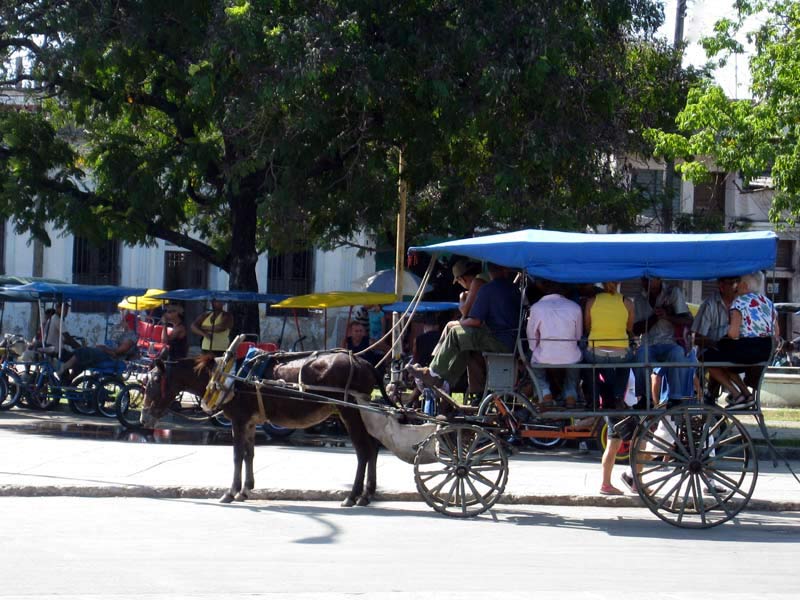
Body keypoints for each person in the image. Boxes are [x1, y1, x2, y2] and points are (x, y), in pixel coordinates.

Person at [407, 263, 520, 392]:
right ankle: (445, 382)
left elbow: (476, 321)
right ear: (505, 270)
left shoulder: (487, 289)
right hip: (511, 340)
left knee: (455, 332)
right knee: (464, 344)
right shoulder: (514, 289)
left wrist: (458, 324)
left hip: (499, 340)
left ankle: (433, 373)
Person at [583, 281, 635, 495]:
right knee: (628, 361)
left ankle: (593, 395)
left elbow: (587, 328)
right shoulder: (627, 302)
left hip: (596, 351)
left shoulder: (591, 301)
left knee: (591, 366)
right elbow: (629, 329)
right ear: (620, 283)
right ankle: (617, 396)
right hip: (620, 352)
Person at [704, 271, 778, 409]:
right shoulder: (768, 303)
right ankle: (746, 395)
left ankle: (736, 394)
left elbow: (733, 334)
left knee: (707, 357)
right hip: (765, 351)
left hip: (747, 350)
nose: (735, 286)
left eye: (737, 282)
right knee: (724, 359)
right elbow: (776, 333)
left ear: (744, 285)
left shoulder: (739, 302)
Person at [632, 276, 694, 405]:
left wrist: (667, 316)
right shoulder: (639, 298)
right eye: (644, 279)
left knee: (678, 353)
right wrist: (655, 317)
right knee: (641, 355)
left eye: (650, 279)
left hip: (671, 342)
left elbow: (688, 320)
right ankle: (645, 398)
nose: (646, 283)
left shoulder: (673, 293)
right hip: (649, 344)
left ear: (659, 279)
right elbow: (636, 330)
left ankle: (675, 397)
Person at [526, 280, 583, 408]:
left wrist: (535, 349)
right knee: (576, 360)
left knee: (533, 363)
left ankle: (545, 392)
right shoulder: (575, 307)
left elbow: (532, 338)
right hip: (570, 356)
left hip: (544, 356)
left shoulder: (536, 308)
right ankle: (571, 395)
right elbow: (578, 336)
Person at [57, 312, 138, 386]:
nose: (121, 323)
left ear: (127, 322)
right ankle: (68, 379)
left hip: (109, 356)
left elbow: (116, 352)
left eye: (123, 321)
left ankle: (63, 368)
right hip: (106, 353)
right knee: (82, 360)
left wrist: (104, 349)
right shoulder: (125, 334)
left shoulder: (131, 336)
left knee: (83, 351)